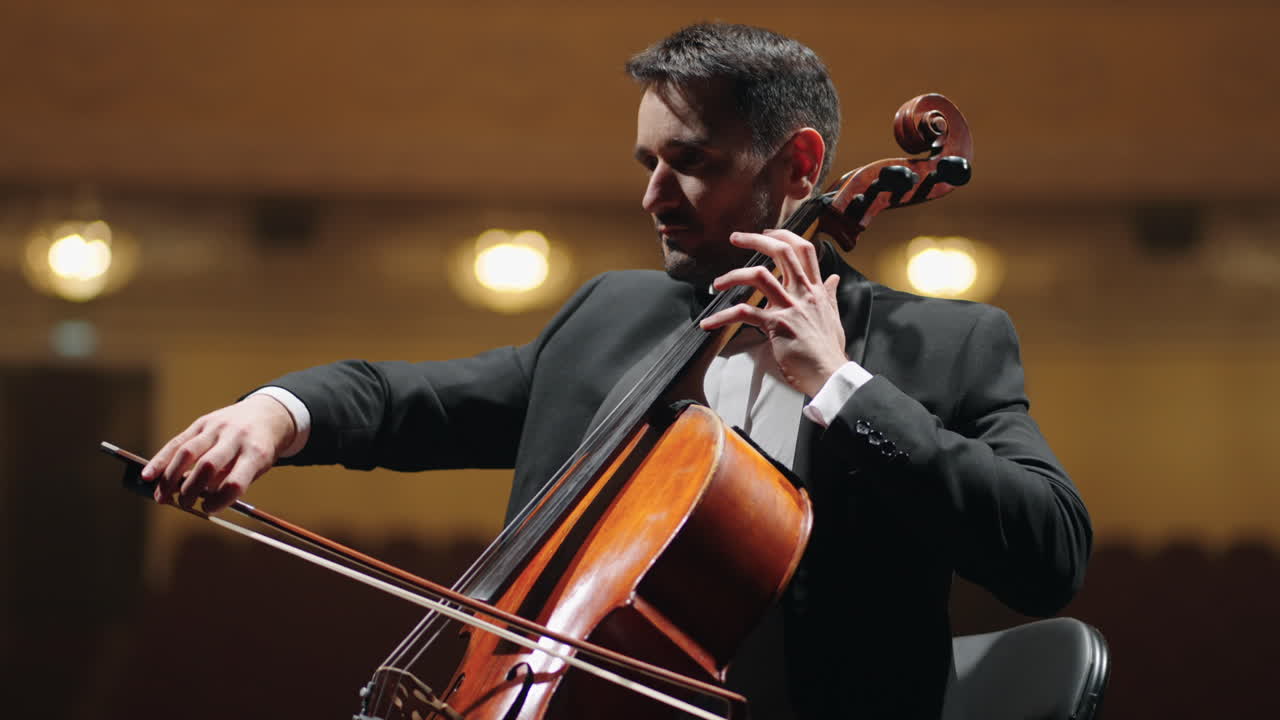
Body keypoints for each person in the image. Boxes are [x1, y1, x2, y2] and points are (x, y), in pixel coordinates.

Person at [142, 22, 1091, 719]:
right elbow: (410, 400)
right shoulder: (611, 319)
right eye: (647, 162)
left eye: (690, 161)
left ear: (799, 166)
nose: (653, 196)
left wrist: (840, 386)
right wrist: (276, 414)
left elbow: (1049, 553)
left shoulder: (944, 345)